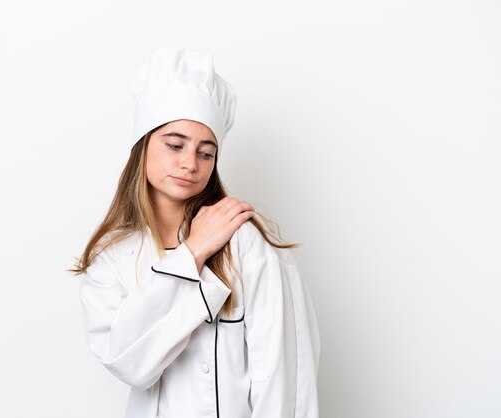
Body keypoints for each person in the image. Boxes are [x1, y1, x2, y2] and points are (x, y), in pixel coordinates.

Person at [71, 47, 320, 418]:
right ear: (143, 148)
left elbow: (286, 379)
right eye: (175, 145)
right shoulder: (111, 256)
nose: (190, 163)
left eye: (206, 153)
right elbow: (129, 362)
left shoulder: (246, 241)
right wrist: (191, 253)